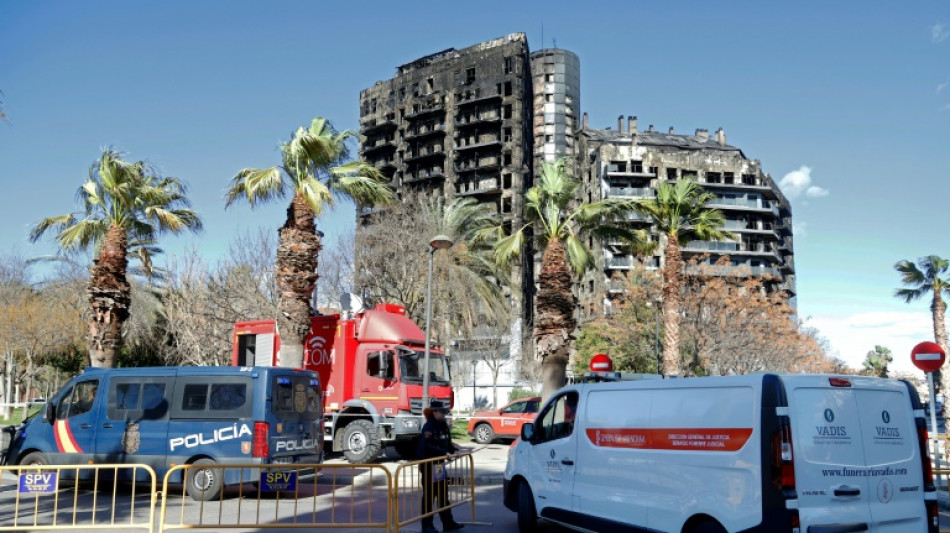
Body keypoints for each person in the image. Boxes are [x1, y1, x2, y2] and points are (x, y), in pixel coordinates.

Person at [416, 400, 464, 533]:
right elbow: (427, 446)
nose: (444, 415)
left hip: (438, 466)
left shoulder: (442, 425)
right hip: (428, 465)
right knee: (429, 497)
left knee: (442, 495)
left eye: (444, 412)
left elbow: (446, 443)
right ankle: (427, 526)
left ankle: (448, 523)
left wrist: (454, 450)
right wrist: (443, 453)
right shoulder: (429, 426)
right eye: (442, 412)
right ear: (435, 412)